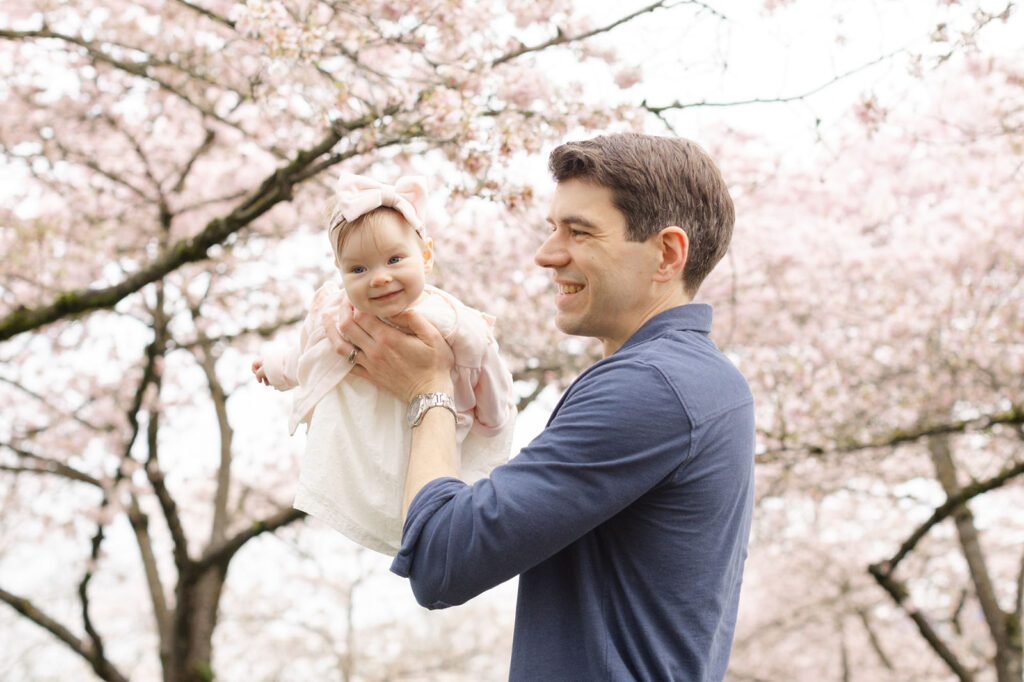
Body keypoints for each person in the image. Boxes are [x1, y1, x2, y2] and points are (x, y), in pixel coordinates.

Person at [327, 133, 755, 680]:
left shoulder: (651, 386)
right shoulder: (704, 383)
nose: (546, 254)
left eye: (579, 232)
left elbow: (441, 560)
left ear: (667, 254)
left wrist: (429, 392)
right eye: (552, 228)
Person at [252, 173, 516, 555]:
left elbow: (485, 367)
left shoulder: (450, 321)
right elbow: (310, 357)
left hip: (427, 436)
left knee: (424, 507)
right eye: (358, 269)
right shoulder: (339, 313)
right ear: (340, 273)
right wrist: (276, 368)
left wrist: (492, 419)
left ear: (425, 256)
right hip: (363, 442)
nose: (379, 278)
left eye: (395, 259)